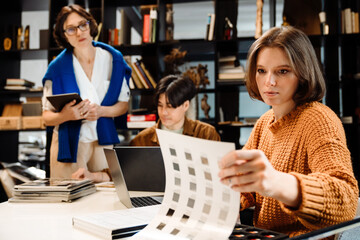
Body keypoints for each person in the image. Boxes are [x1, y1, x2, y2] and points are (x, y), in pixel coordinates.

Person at [218, 26, 359, 238]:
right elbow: (244, 184)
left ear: (302, 73)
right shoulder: (265, 122)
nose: (269, 82)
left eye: (282, 71)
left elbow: (345, 201)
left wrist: (276, 182)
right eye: (261, 71)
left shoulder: (319, 119)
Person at [41, 4, 131, 182]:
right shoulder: (56, 68)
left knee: (105, 201)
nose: (79, 32)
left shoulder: (113, 60)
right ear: (64, 35)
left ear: (91, 25)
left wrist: (101, 111)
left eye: (83, 24)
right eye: (71, 29)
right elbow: (46, 117)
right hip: (68, 146)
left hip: (102, 142)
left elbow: (123, 105)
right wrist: (66, 115)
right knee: (68, 205)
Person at [130, 75, 220, 146]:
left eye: (170, 106)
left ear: (185, 105)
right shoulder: (140, 141)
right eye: (160, 105)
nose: (163, 112)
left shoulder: (206, 134)